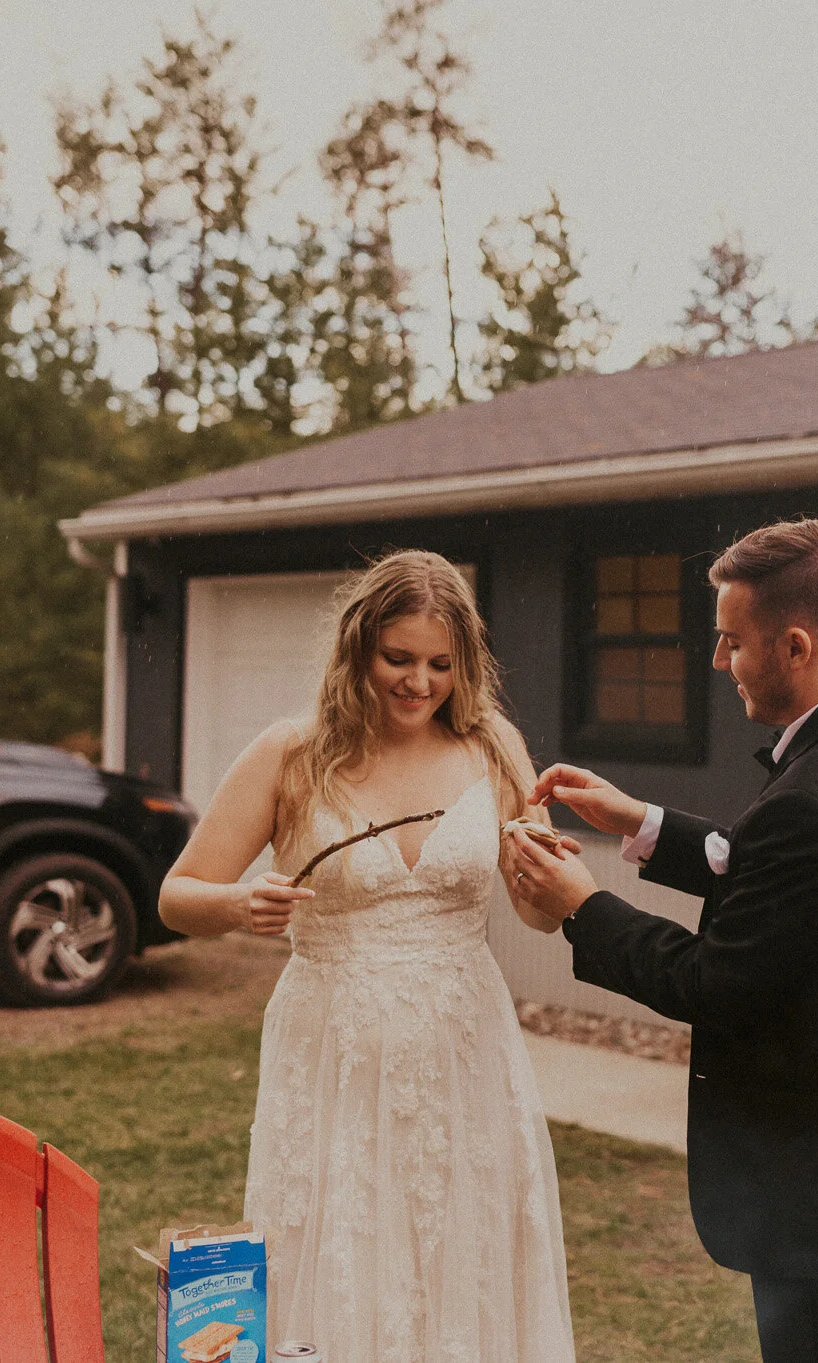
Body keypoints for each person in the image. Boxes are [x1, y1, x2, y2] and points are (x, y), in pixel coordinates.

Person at [501, 517, 818, 1363]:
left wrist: (582, 905)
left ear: (794, 645)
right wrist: (642, 823)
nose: (718, 662)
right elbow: (800, 894)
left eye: (731, 641)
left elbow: (717, 983)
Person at [161, 549, 577, 1363]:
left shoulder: (493, 747)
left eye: (439, 665)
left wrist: (550, 879)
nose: (419, 682)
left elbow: (534, 912)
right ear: (357, 648)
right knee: (345, 1243)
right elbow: (177, 893)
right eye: (398, 659)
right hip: (334, 1055)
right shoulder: (293, 753)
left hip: (466, 1049)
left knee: (465, 1243)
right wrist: (241, 903)